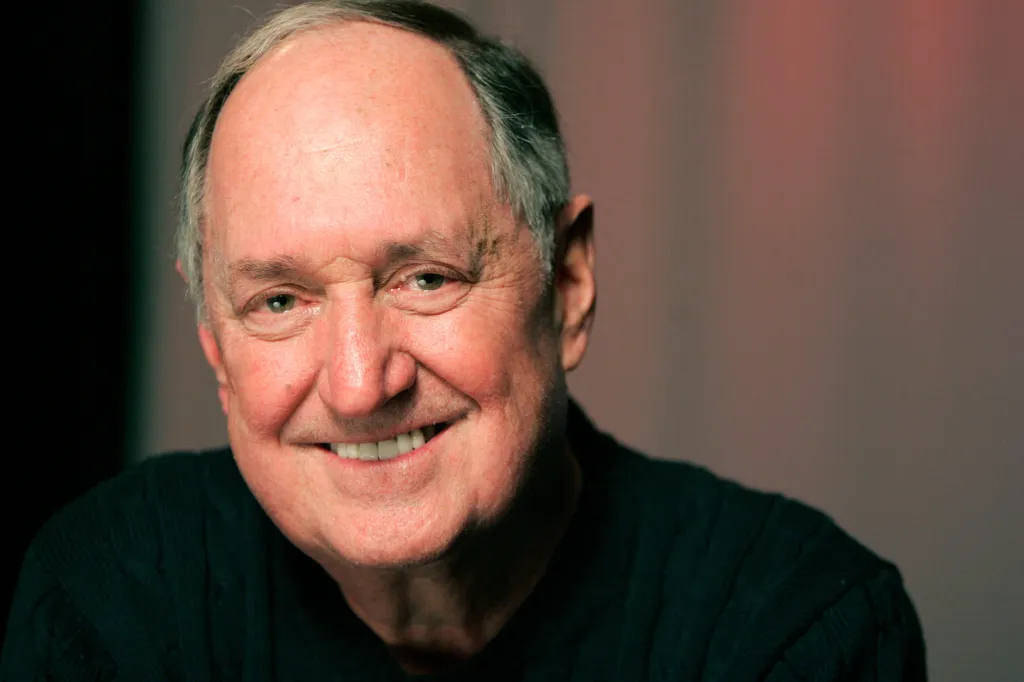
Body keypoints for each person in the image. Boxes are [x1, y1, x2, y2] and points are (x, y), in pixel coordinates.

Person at [2, 1, 927, 679]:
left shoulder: (796, 627)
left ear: (567, 286)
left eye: (426, 278)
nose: (362, 384)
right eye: (280, 301)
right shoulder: (112, 599)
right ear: (215, 346)